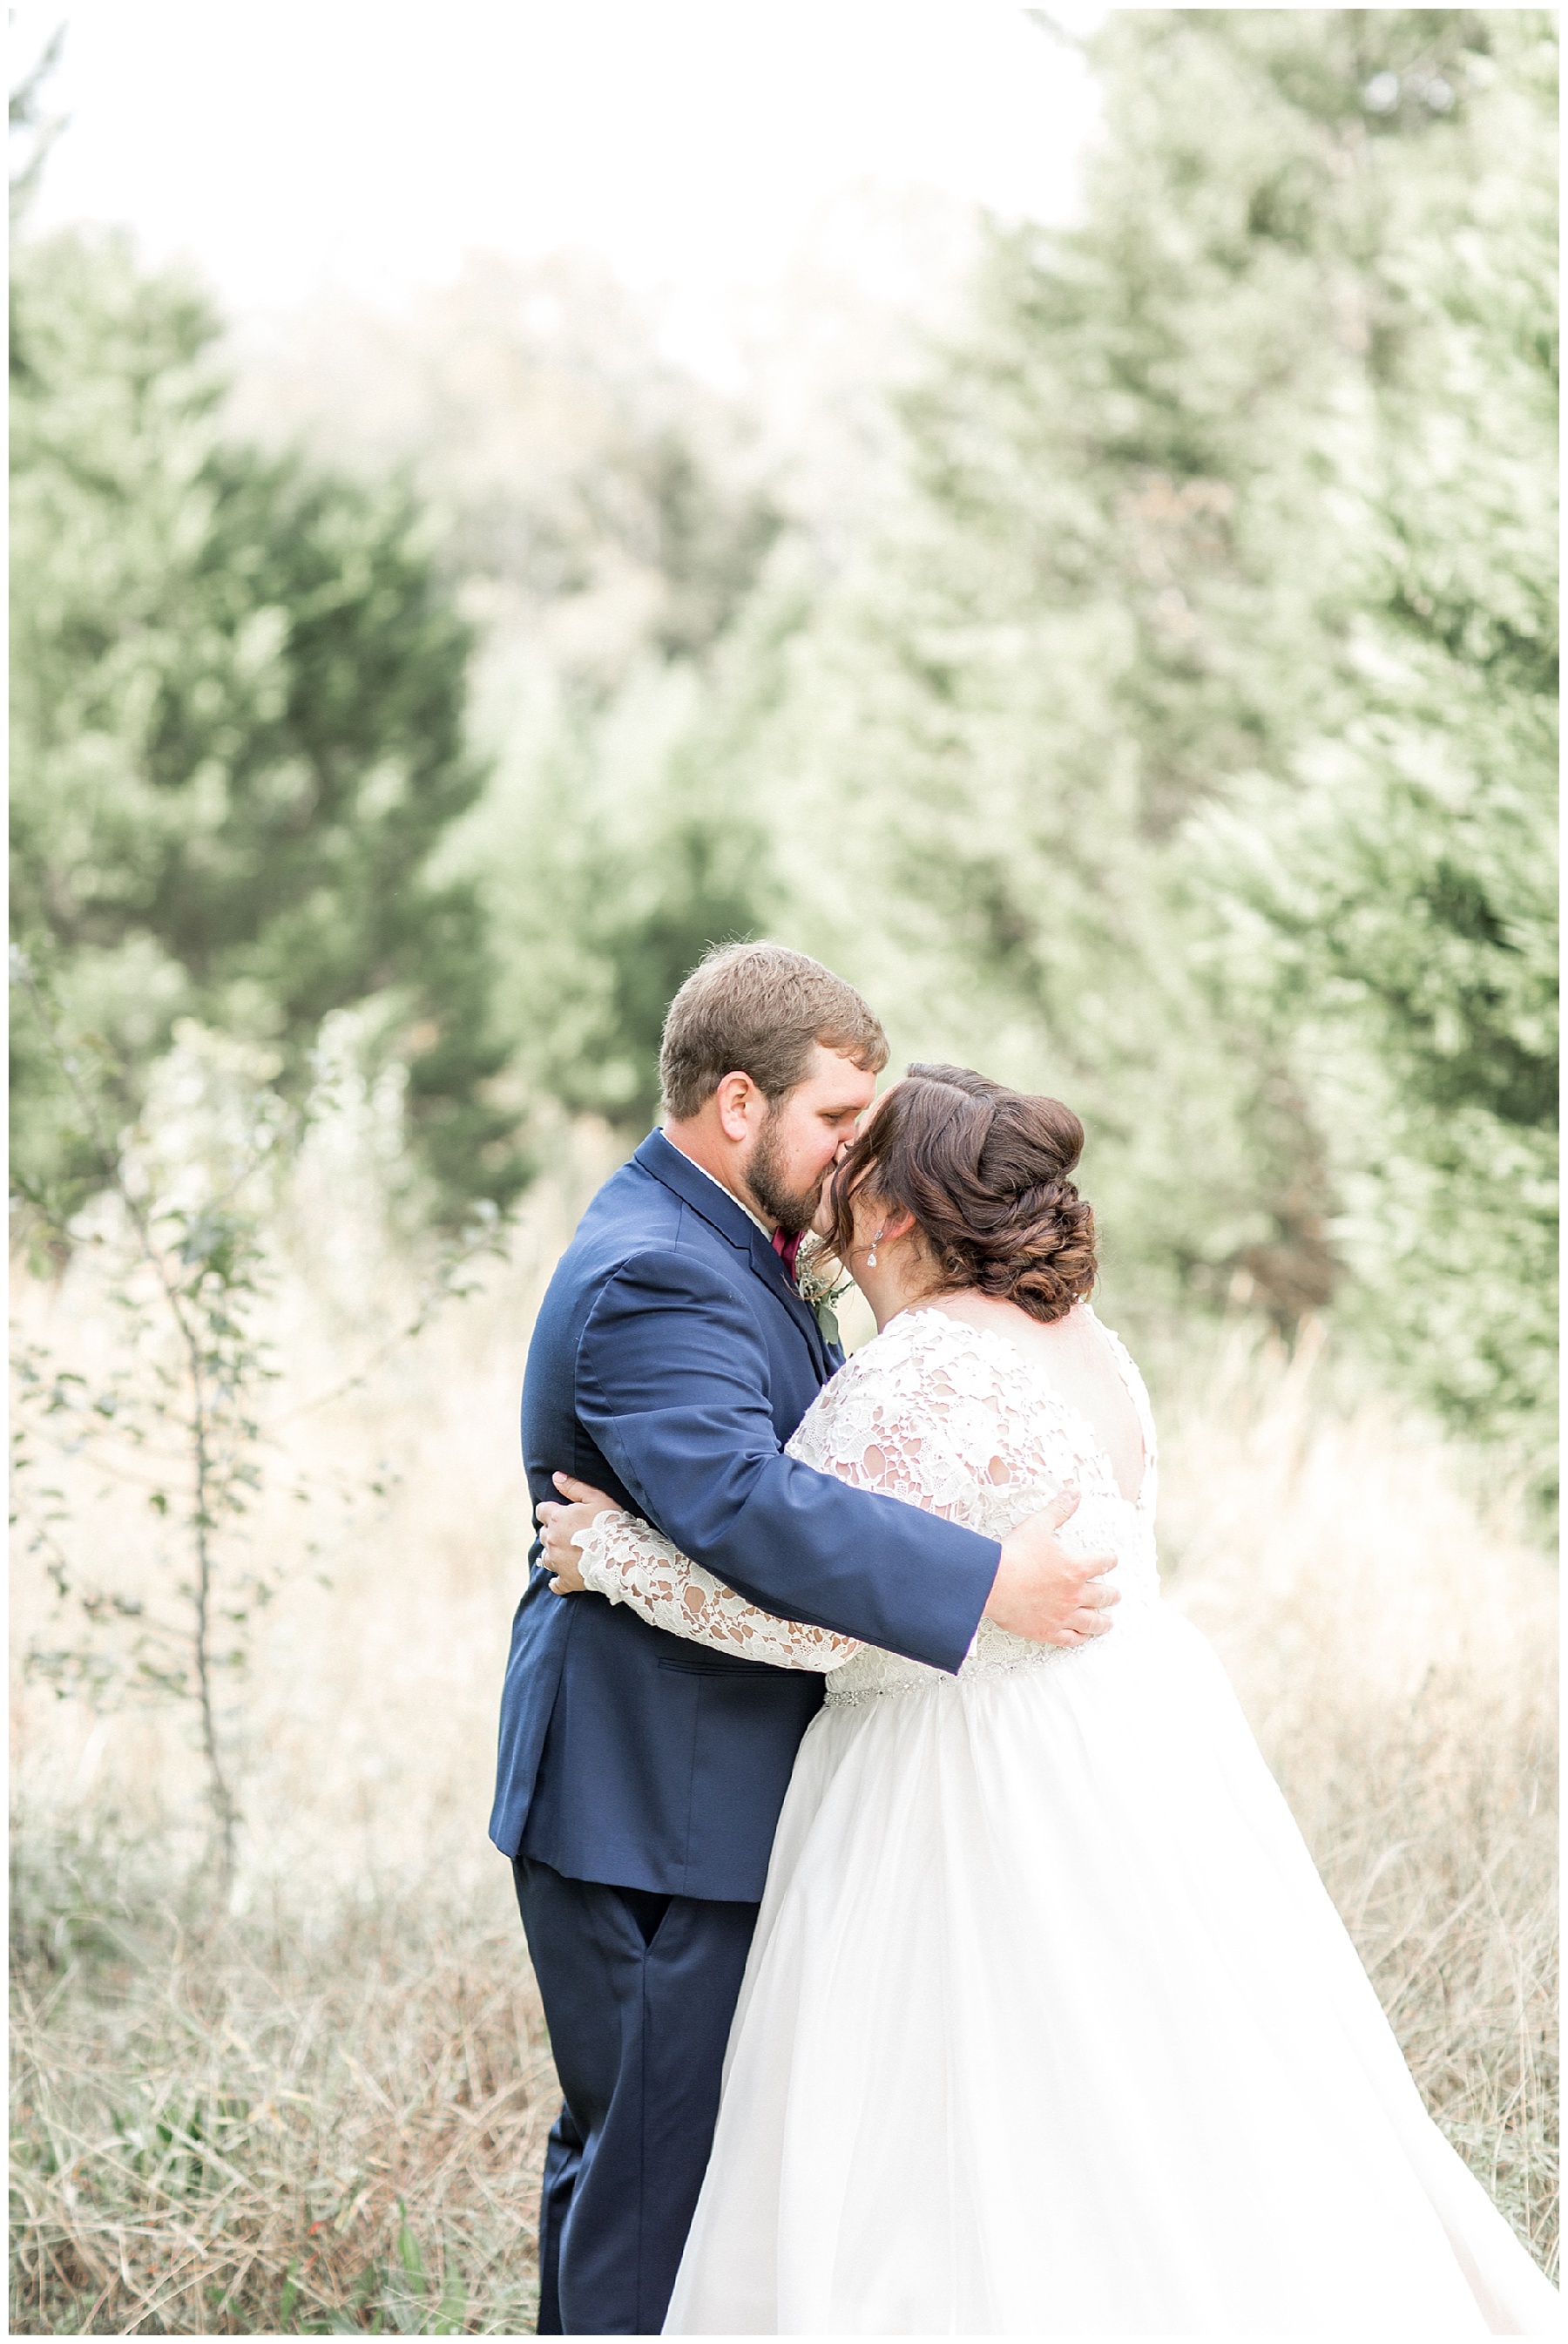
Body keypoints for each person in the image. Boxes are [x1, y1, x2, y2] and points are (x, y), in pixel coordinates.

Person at [540, 1065, 1560, 2337]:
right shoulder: (1095, 1349)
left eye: (855, 1169)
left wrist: (620, 1561)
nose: (831, 1196)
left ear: (899, 1213)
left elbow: (811, 1614)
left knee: (951, 2130)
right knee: (1169, 2100)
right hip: (1130, 1752)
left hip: (960, 1779)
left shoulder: (916, 1369)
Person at [489, 948, 1119, 2336]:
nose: (856, 1156)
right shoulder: (656, 1273)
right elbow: (744, 1505)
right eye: (838, 1120)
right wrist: (988, 1583)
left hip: (706, 1794)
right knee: (651, 2184)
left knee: (639, 2167)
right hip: (649, 1804)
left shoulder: (725, 1243)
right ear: (735, 1102)